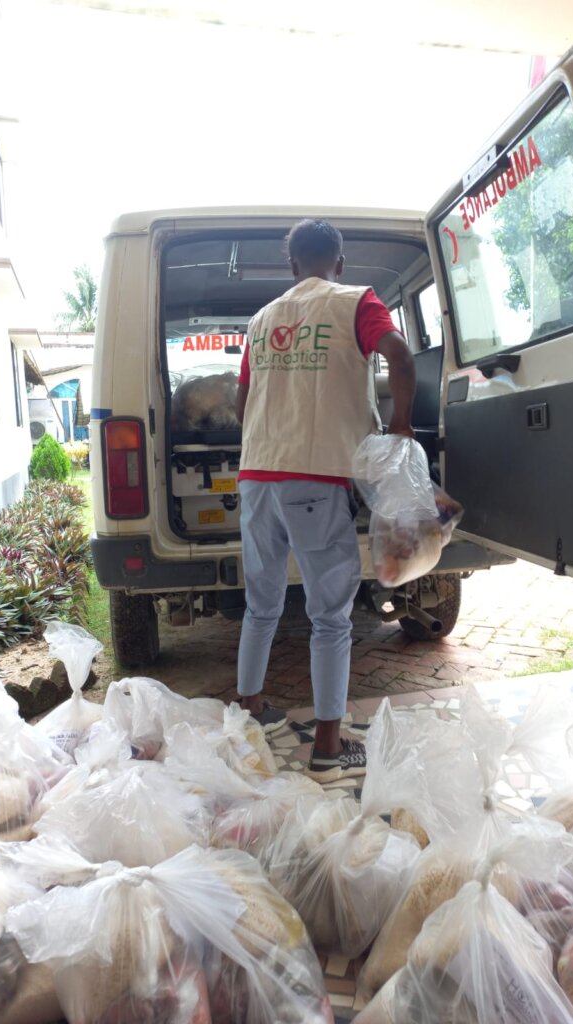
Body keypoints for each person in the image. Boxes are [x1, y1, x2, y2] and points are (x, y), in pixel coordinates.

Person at [235, 218, 416, 783]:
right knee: (330, 617)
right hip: (315, 477)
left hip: (256, 475)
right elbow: (400, 357)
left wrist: (270, 436)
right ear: (339, 262)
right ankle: (330, 747)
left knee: (261, 604)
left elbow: (243, 400)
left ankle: (250, 711)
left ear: (292, 266)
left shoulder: (261, 320)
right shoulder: (355, 301)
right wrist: (401, 428)